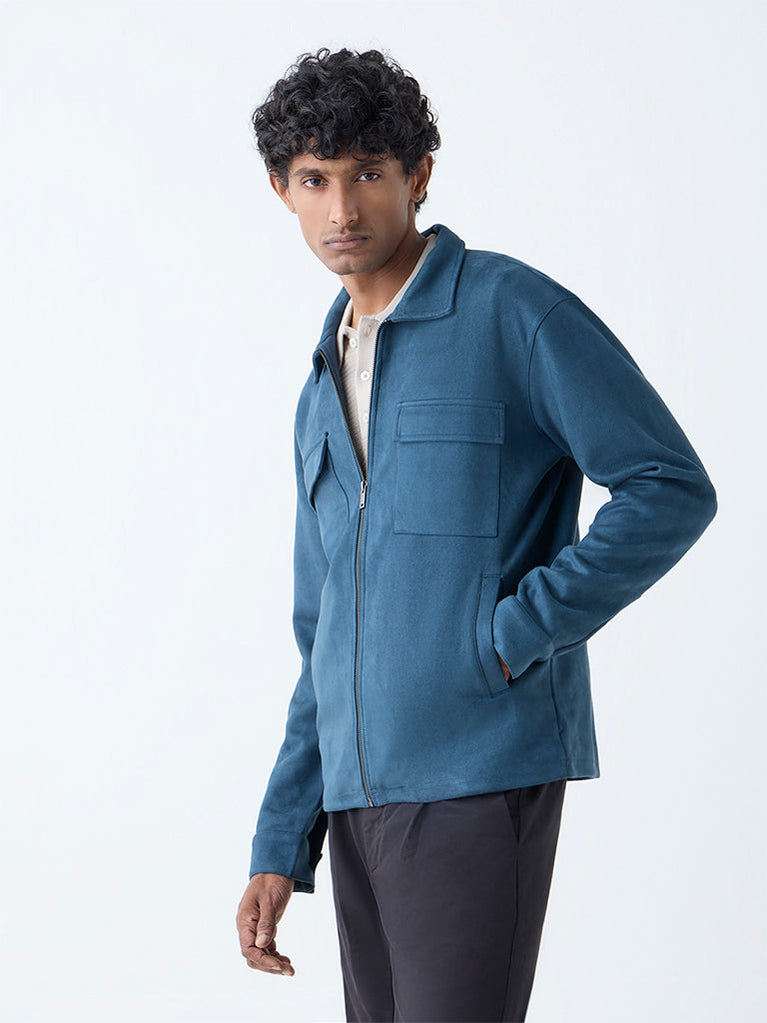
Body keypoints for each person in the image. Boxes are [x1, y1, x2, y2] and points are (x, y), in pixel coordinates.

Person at [235, 46, 717, 1022]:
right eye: (315, 179)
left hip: (475, 770)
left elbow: (666, 484)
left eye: (368, 172)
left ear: (417, 175)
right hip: (357, 797)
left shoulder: (508, 311)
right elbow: (320, 630)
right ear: (280, 189)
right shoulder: (318, 385)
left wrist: (507, 637)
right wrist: (282, 838)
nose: (342, 208)